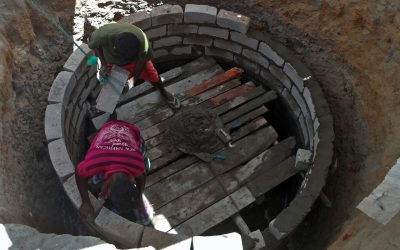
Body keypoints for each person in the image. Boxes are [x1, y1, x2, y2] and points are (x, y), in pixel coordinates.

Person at [75, 119, 152, 224]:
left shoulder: (137, 164)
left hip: (131, 131)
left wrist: (139, 197)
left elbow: (142, 177)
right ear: (131, 179)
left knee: (143, 162)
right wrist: (85, 202)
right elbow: (79, 173)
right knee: (94, 181)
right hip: (108, 129)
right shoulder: (94, 162)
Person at [88, 22, 180, 109]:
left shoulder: (143, 42)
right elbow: (96, 47)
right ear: (115, 47)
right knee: (111, 87)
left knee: (153, 76)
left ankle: (163, 92)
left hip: (137, 63)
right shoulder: (101, 36)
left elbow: (142, 61)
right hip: (112, 62)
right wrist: (104, 64)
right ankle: (110, 112)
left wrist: (133, 79)